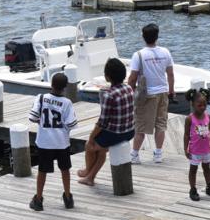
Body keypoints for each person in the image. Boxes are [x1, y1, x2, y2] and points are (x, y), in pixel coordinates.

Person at [78, 57, 135, 186]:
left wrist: (91, 138)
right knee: (101, 149)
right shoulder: (129, 89)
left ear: (107, 77)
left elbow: (102, 122)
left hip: (116, 134)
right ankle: (90, 177)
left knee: (89, 146)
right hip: (130, 131)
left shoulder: (109, 95)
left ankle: (88, 172)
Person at [28, 71, 78, 211]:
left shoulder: (41, 98)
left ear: (51, 84)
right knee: (65, 169)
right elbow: (71, 124)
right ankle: (68, 197)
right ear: (65, 87)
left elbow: (32, 117)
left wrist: (41, 122)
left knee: (42, 170)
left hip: (44, 142)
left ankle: (38, 199)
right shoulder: (67, 103)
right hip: (61, 142)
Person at [128, 22, 174, 164]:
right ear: (157, 36)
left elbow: (133, 77)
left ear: (143, 37)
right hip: (163, 92)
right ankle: (158, 154)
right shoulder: (165, 52)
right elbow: (170, 74)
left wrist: (129, 91)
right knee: (161, 124)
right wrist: (171, 91)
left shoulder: (139, 55)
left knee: (140, 125)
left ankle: (135, 155)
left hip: (146, 95)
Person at [184, 88, 210, 200]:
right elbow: (186, 135)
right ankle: (193, 189)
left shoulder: (208, 117)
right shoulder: (190, 119)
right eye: (199, 105)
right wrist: (186, 149)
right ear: (193, 104)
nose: (203, 107)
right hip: (195, 150)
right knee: (193, 169)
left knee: (207, 168)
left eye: (204, 105)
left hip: (207, 150)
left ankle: (209, 186)